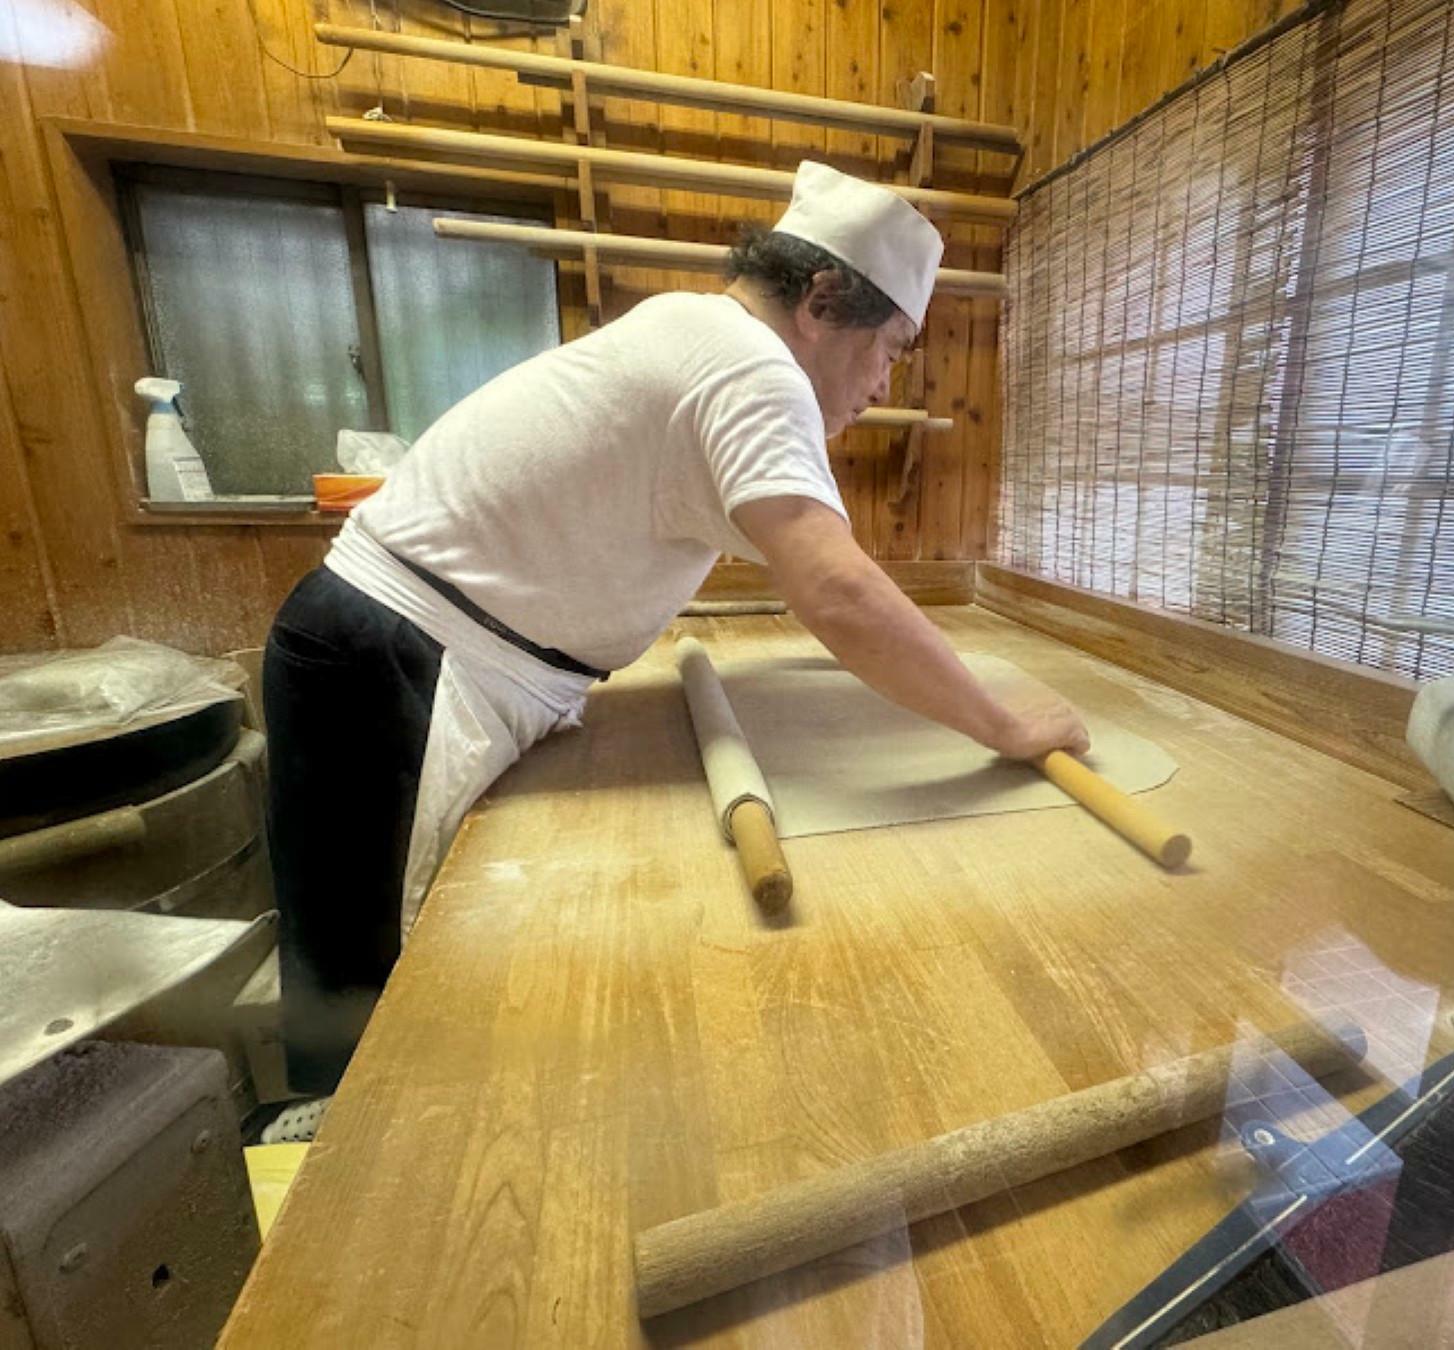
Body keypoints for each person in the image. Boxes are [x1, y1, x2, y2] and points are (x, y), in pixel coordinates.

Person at [260, 161, 1089, 1122]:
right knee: (368, 1004)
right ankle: (328, 1193)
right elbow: (834, 586)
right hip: (398, 653)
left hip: (387, 642)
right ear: (822, 299)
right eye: (891, 348)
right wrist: (999, 725)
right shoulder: (751, 363)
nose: (884, 380)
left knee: (347, 954)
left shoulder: (697, 332)